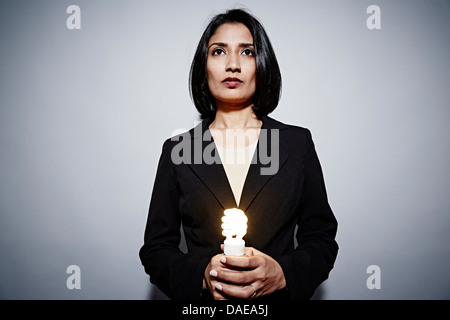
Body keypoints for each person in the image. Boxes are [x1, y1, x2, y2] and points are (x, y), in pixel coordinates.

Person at [139, 8, 338, 300]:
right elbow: (156, 250)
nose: (233, 64)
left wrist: (283, 273)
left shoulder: (297, 144)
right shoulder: (178, 151)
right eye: (218, 51)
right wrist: (203, 278)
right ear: (203, 65)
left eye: (247, 52)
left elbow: (321, 239)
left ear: (262, 63)